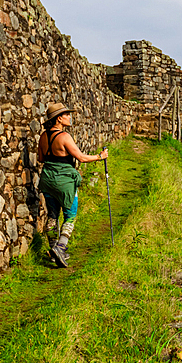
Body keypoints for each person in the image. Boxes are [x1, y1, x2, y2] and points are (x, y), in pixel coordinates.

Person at [36, 103, 109, 267]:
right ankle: (60, 248)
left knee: (52, 215)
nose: (70, 117)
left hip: (47, 178)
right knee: (71, 215)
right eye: (67, 114)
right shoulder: (64, 137)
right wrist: (100, 156)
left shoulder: (43, 136)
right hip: (65, 181)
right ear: (59, 118)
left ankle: (53, 248)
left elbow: (41, 158)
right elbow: (81, 158)